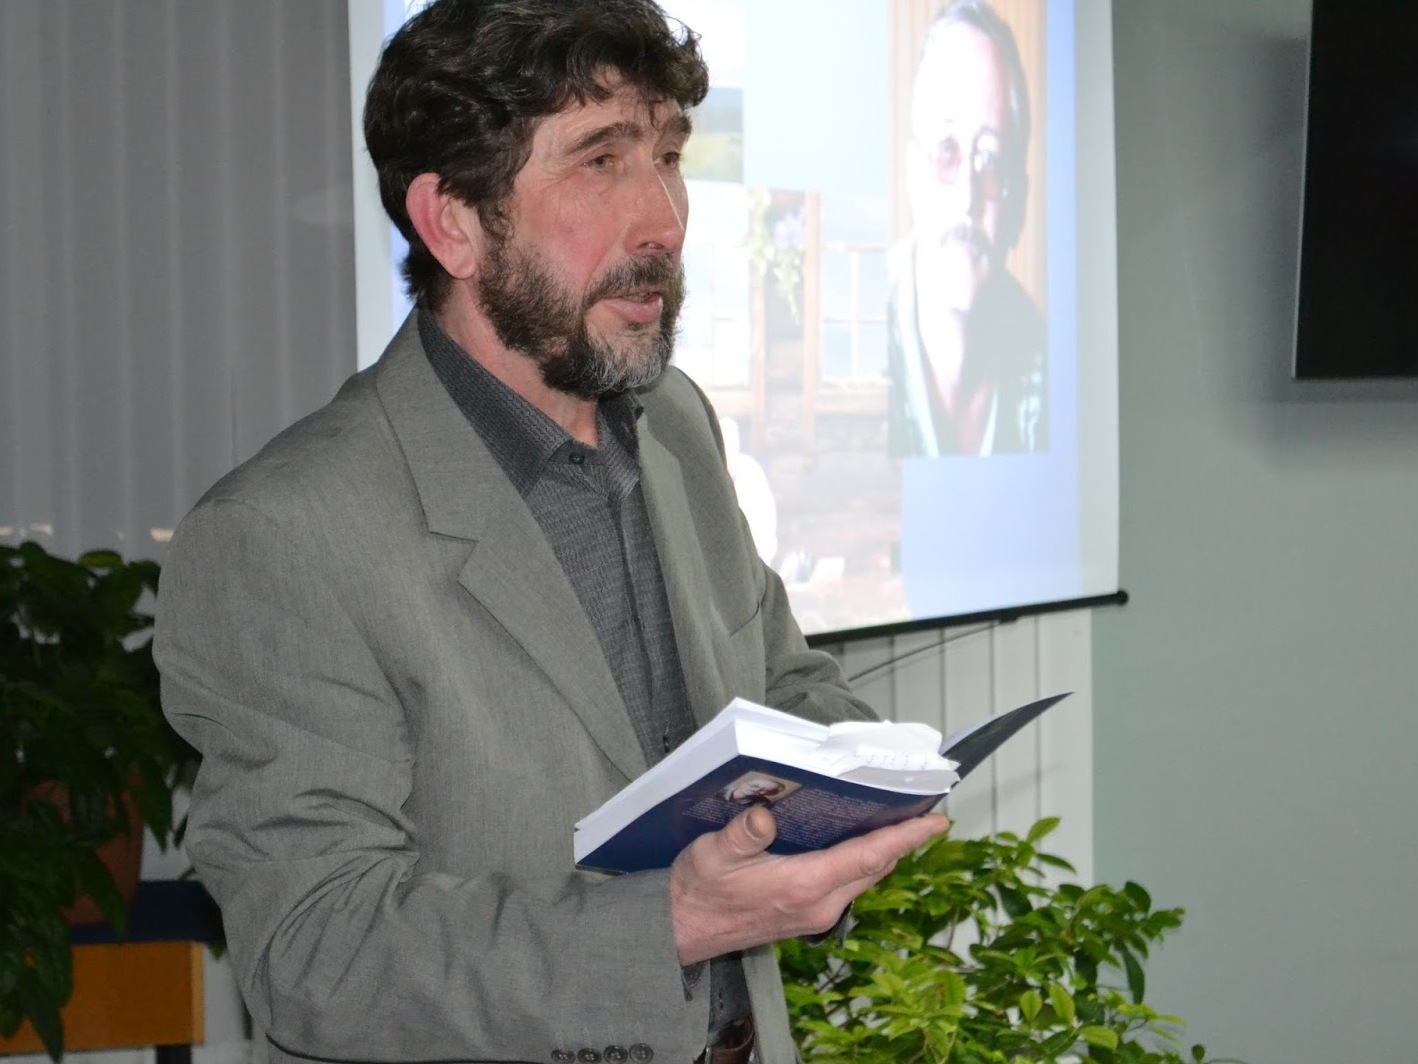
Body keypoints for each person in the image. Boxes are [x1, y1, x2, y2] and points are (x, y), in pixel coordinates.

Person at [153, 3, 947, 1064]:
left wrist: (861, 783)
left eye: (668, 156)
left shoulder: (674, 422)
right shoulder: (282, 534)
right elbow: (316, 952)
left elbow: (779, 679)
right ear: (453, 224)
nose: (664, 219)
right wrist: (671, 922)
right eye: (600, 162)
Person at [886, 0, 1047, 457]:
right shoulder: (868, 340)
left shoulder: (1045, 357)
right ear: (913, 174)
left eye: (990, 157)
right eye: (946, 149)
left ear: (1018, 203)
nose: (967, 197)